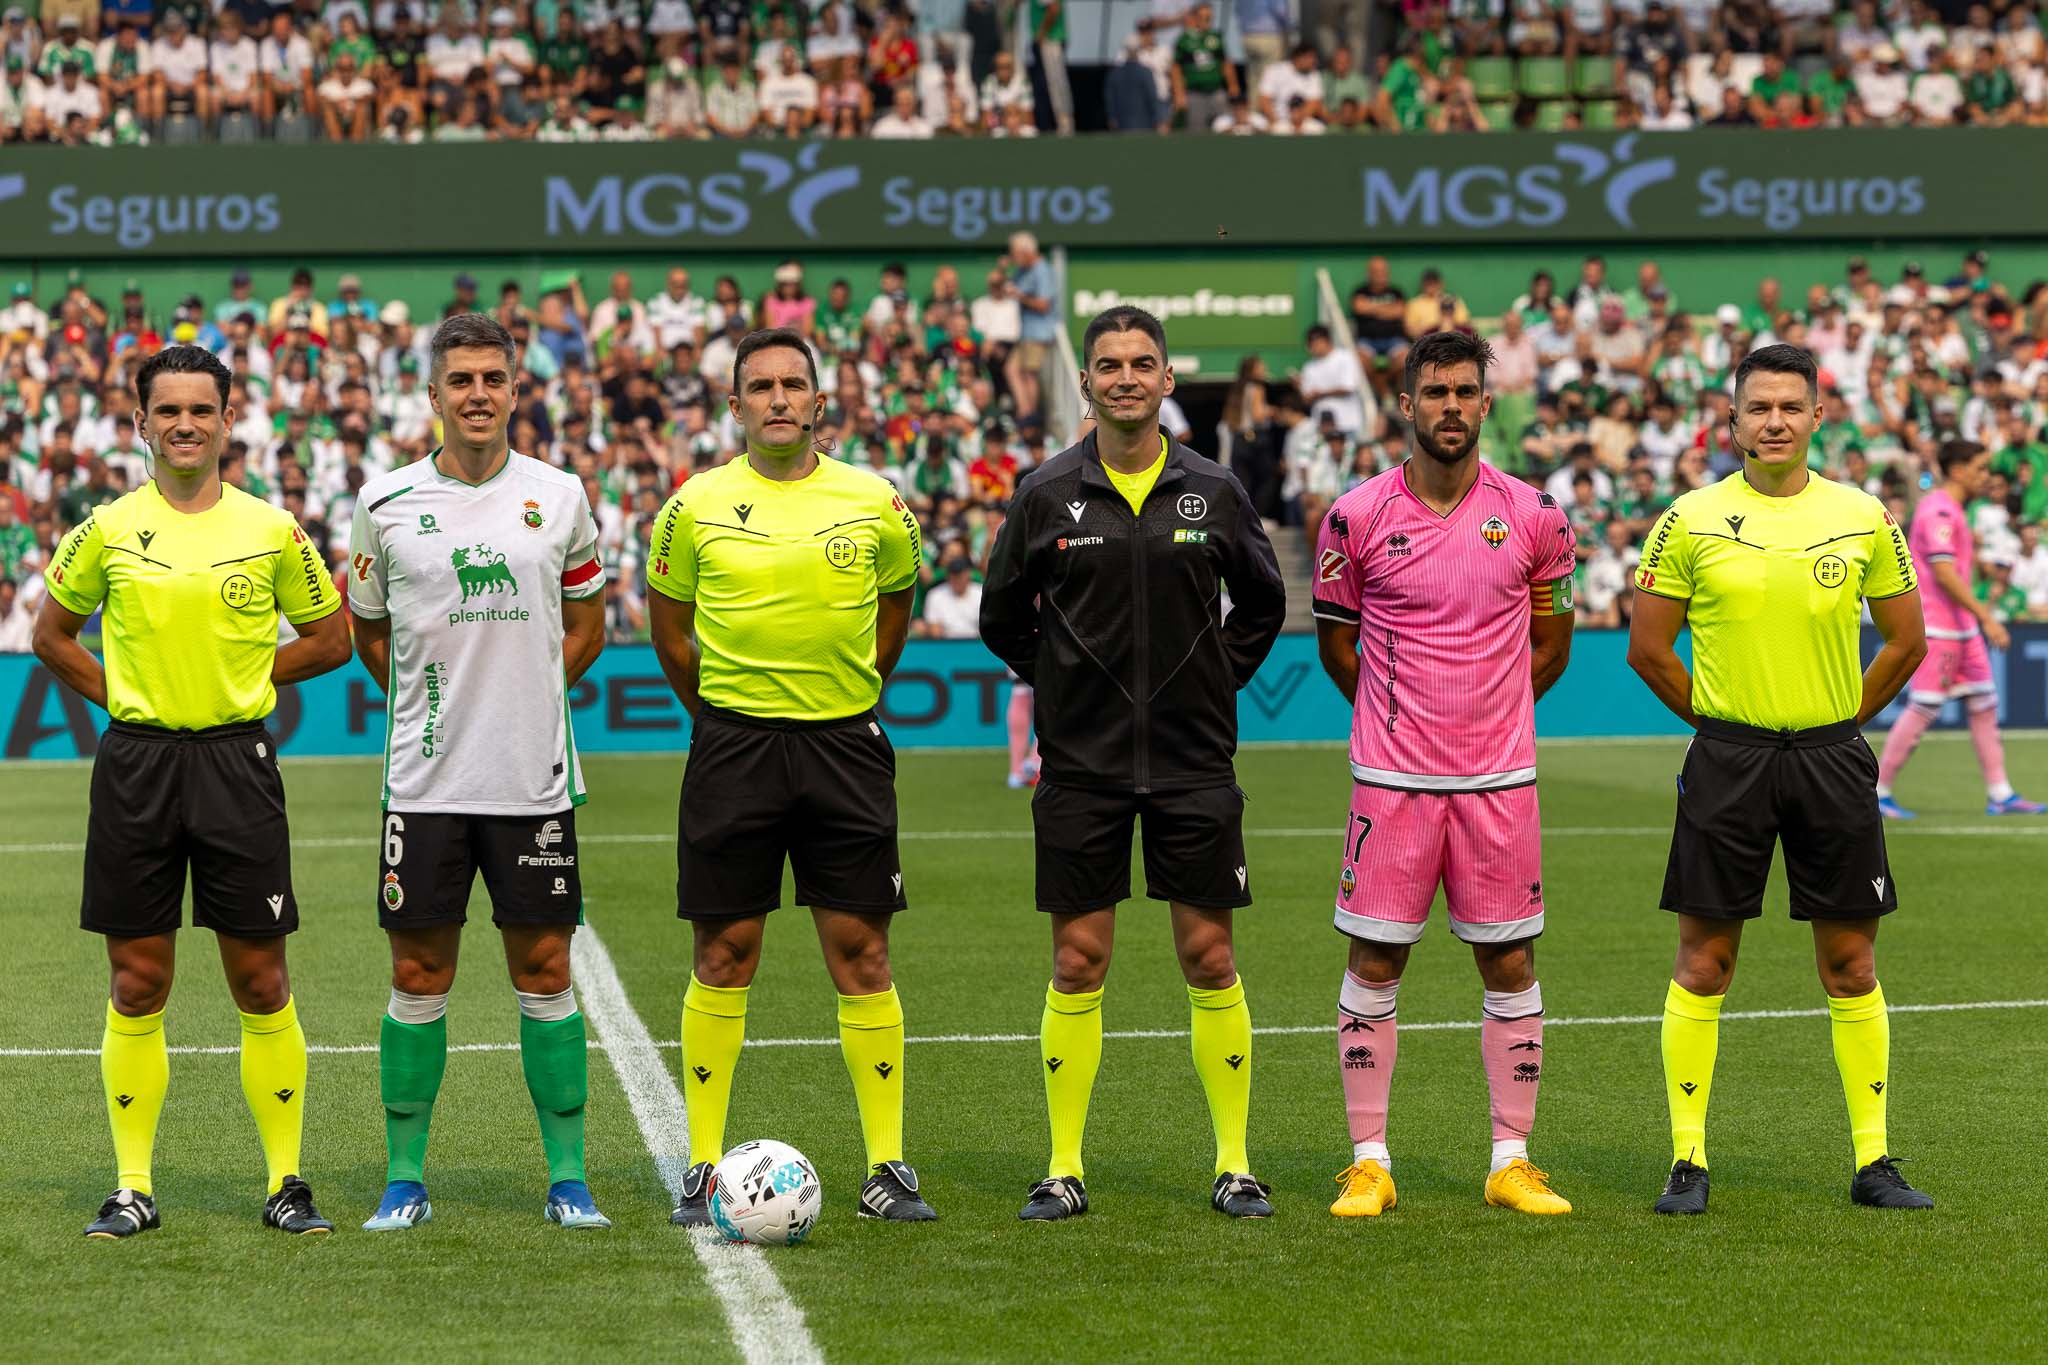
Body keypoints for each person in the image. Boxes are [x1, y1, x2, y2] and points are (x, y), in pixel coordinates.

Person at [30, 345, 352, 1238]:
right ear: (140, 422)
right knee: (138, 979)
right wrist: (123, 695)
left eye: (200, 410)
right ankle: (132, 1185)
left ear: (226, 419)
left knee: (260, 975)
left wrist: (248, 674)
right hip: (136, 765)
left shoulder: (272, 528)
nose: (183, 423)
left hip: (236, 764)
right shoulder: (103, 529)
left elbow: (332, 640)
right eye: (165, 409)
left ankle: (287, 1181)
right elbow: (51, 632)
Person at [979, 306, 1287, 1222]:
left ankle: (1234, 1163)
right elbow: (1004, 618)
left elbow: (1263, 606)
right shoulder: (1043, 493)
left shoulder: (1216, 490)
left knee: (1209, 954)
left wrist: (1210, 679)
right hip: (1082, 768)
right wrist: (1065, 687)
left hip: (1195, 763)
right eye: (1108, 364)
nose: (1124, 378)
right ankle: (1063, 1166)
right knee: (1079, 959)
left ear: (1164, 379)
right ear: (1087, 382)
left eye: (1141, 364)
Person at [1627, 344, 1933, 1215]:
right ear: (1732, 422)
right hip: (1728, 761)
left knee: (1850, 961)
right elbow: (1647, 649)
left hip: (1833, 759)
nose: (1774, 422)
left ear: (1817, 417)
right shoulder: (1688, 518)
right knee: (1705, 960)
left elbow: (1907, 641)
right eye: (1757, 408)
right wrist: (1724, 726)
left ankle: (1874, 1160)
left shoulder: (1863, 514)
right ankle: (1688, 1159)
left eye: (1790, 407)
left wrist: (1843, 718)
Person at [646, 327, 937, 1226]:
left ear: (820, 401)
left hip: (844, 746)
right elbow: (670, 628)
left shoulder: (876, 502)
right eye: (760, 386)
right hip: (733, 749)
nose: (778, 398)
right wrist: (725, 716)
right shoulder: (690, 505)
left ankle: (887, 1164)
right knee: (723, 954)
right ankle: (701, 1164)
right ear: (733, 405)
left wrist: (847, 690)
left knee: (863, 953)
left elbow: (897, 607)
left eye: (794, 384)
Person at [346, 313, 611, 1233]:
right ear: (433, 395)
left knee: (544, 969)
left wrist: (529, 692)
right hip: (423, 787)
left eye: (493, 378)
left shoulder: (562, 495)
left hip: (531, 779)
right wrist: (436, 699)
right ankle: (404, 1178)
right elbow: (369, 632)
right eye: (460, 380)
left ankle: (569, 1178)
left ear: (515, 388)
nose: (478, 394)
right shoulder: (382, 503)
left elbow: (588, 624)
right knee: (419, 973)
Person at [1311, 330, 1579, 1220]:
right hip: (1391, 782)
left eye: (1466, 391)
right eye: (1435, 393)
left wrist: (1485, 716)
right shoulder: (1354, 516)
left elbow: (1552, 647)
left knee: (1508, 958)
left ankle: (1512, 1158)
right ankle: (1369, 1160)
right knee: (1375, 955)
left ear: (1486, 402)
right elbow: (1338, 646)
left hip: (1500, 782)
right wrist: (1402, 720)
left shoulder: (1538, 514)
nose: (1452, 407)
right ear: (1406, 404)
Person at [1875, 440, 2045, 818]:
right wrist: (1985, 616)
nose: (1986, 476)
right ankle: (1877, 791)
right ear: (1957, 470)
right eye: (1981, 468)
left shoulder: (1953, 510)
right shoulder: (1938, 510)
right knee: (1924, 707)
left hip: (1961, 628)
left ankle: (2000, 794)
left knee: (1985, 702)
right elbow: (1943, 571)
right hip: (1940, 627)